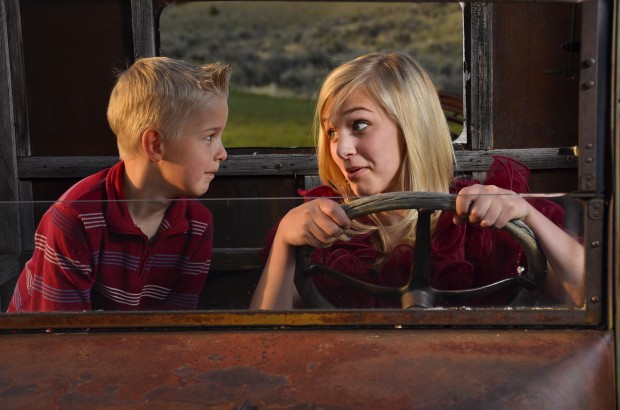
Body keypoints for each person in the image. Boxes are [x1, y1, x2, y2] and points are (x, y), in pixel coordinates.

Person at [250, 51, 584, 310]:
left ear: (412, 126)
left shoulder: (480, 222)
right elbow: (264, 340)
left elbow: (591, 295)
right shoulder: (327, 229)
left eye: (360, 125)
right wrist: (284, 240)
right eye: (332, 132)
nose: (341, 149)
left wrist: (526, 215)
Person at [8, 57, 230, 312]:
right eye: (209, 136)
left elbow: (176, 326)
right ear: (155, 145)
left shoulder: (198, 224)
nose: (222, 153)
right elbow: (60, 335)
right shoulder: (75, 217)